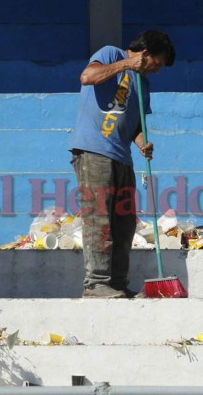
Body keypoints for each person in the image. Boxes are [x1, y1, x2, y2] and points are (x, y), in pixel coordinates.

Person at [69, 30, 175, 298]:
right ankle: (96, 284)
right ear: (145, 53)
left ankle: (116, 283)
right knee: (99, 219)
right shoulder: (110, 54)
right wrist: (127, 64)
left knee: (125, 223)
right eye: (157, 63)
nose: (157, 70)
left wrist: (141, 142)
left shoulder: (144, 85)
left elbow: (136, 123)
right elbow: (87, 77)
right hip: (94, 150)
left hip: (122, 157)